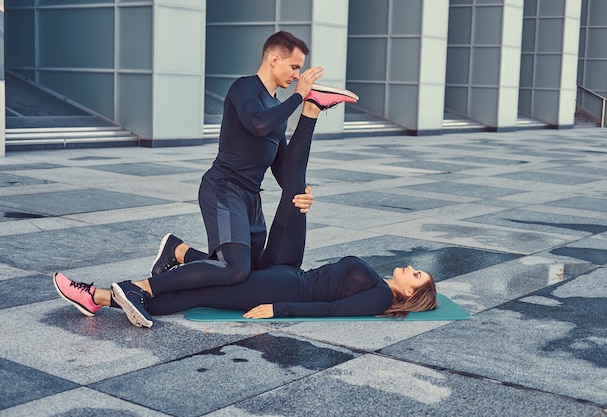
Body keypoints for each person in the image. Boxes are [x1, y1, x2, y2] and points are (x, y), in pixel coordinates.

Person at [53, 98, 437, 328]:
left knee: (198, 293)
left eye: (417, 276)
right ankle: (311, 108)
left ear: (410, 294)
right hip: (289, 269)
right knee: (295, 190)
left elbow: (331, 308)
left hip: (283, 289)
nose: (412, 269)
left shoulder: (379, 299)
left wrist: (277, 310)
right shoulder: (378, 285)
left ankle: (100, 295)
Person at [148, 29, 356, 293]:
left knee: (251, 273)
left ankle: (178, 251)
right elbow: (257, 124)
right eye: (294, 67)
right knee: (235, 269)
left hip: (251, 198)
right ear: (273, 60)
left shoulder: (276, 104)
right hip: (223, 189)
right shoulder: (245, 87)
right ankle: (147, 288)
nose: (296, 76)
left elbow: (282, 167)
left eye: (299, 70)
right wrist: (299, 97)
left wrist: (301, 191)